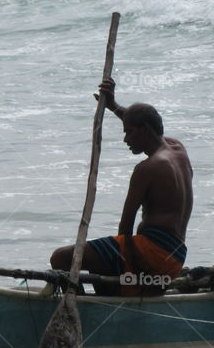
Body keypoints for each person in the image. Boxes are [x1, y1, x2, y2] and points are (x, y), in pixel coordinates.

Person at [50, 77, 193, 296]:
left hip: (152, 257)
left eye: (128, 132)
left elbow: (125, 226)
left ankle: (75, 306)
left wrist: (129, 269)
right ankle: (109, 301)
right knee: (100, 259)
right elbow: (142, 120)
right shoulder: (178, 149)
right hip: (175, 257)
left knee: (60, 258)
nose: (125, 139)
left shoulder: (147, 168)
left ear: (144, 130)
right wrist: (113, 105)